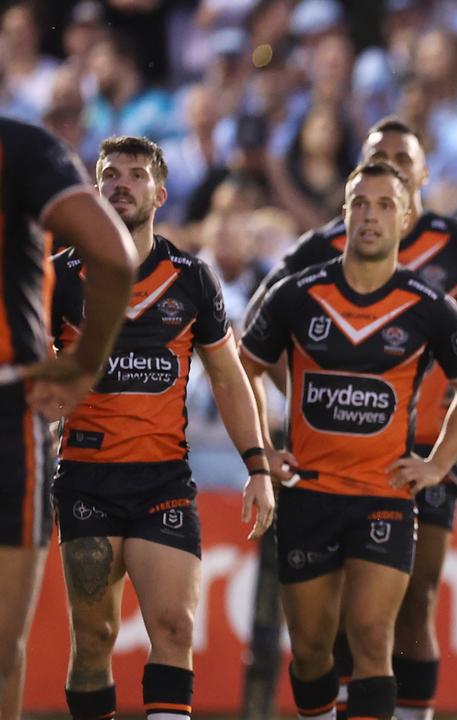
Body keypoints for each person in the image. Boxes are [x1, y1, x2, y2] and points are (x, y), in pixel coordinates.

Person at [252, 116, 457, 720]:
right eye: (376, 155)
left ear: (421, 176)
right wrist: (299, 400)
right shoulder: (320, 248)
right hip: (326, 460)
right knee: (323, 630)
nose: (390, 162)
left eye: (401, 158)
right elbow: (250, 344)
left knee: (412, 601)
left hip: (423, 450)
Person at [48, 136, 275, 720]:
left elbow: (229, 377)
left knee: (175, 627)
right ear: (96, 190)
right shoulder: (61, 277)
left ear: (161, 192)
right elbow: (24, 367)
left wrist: (258, 466)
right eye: (110, 174)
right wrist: (42, 398)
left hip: (162, 483)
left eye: (136, 174)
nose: (121, 183)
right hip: (85, 482)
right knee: (94, 641)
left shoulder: (191, 279)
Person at [0, 117, 134, 720]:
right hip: (10, 405)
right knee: (1, 649)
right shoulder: (22, 147)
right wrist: (84, 362)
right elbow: (113, 255)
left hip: (14, 403)